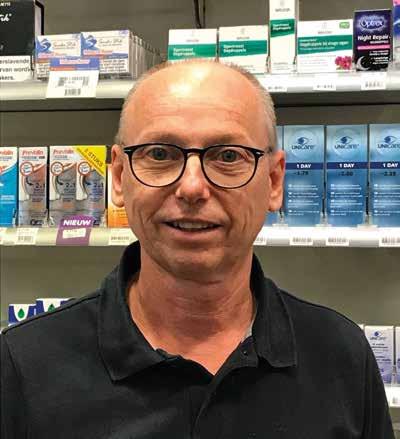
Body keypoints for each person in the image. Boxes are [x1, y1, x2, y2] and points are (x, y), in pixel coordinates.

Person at [1, 60, 394, 439]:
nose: (191, 188)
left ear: (274, 181)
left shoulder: (341, 356)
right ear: (118, 177)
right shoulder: (23, 365)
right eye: (160, 154)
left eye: (228, 156)